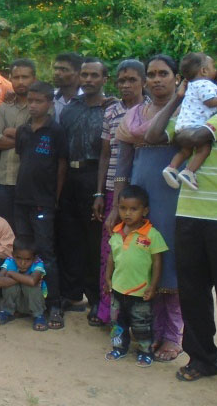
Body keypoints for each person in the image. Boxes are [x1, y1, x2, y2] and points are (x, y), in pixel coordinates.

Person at [143, 47, 217, 398]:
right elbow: (154, 135)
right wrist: (178, 98)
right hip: (189, 211)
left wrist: (187, 124)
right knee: (193, 292)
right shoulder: (198, 99)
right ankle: (202, 358)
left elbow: (193, 138)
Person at [112, 54, 184, 362]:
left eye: (163, 73)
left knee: (168, 259)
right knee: (141, 258)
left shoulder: (186, 112)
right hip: (138, 197)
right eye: (152, 74)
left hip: (173, 196)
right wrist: (118, 205)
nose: (156, 79)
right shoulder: (134, 115)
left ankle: (173, 335)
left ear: (177, 78)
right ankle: (148, 331)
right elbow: (123, 166)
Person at [90, 60, 146, 327]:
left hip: (143, 191)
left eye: (132, 80)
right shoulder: (111, 111)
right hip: (114, 191)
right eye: (122, 80)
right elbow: (105, 154)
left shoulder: (151, 110)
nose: (126, 85)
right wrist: (99, 193)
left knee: (139, 252)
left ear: (143, 82)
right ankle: (107, 310)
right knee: (111, 251)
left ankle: (138, 313)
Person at [57, 58, 109, 318]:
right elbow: (62, 151)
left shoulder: (109, 108)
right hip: (70, 176)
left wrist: (100, 190)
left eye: (94, 76)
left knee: (93, 240)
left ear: (104, 80)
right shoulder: (70, 108)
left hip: (94, 176)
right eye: (85, 75)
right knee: (70, 237)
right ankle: (72, 293)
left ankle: (97, 298)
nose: (88, 80)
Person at [14, 81, 68, 329]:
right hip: (22, 200)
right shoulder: (23, 131)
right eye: (30, 101)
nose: (33, 105)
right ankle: (26, 302)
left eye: (38, 101)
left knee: (46, 253)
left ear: (49, 103)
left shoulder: (55, 131)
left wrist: (54, 199)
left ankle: (54, 304)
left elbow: (60, 166)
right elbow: (22, 160)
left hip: (43, 202)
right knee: (24, 252)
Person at [104, 185, 168, 367]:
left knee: (142, 325)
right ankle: (119, 348)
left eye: (134, 209)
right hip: (117, 289)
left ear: (145, 210)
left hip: (140, 292)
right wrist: (108, 279)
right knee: (117, 323)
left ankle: (145, 350)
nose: (127, 214)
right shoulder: (116, 232)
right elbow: (111, 257)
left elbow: (157, 262)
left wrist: (153, 286)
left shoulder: (152, 235)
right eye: (123, 208)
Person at [162, 53, 217, 191]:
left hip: (182, 124)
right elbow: (210, 102)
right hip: (195, 126)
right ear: (204, 71)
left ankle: (171, 167)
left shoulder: (191, 86)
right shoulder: (206, 84)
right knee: (204, 149)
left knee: (186, 151)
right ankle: (189, 172)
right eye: (213, 67)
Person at [0, 59, 37, 229]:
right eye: (16, 77)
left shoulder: (41, 108)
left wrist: (10, 132)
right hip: (3, 179)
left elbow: (37, 140)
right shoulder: (4, 107)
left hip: (29, 180)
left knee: (26, 229)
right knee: (5, 228)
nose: (20, 81)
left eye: (25, 77)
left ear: (34, 79)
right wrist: (23, 139)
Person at [0, 241, 47, 330]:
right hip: (16, 304)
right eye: (19, 258)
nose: (22, 263)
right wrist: (23, 279)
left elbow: (32, 281)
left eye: (27, 259)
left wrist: (11, 273)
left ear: (34, 258)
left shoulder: (38, 263)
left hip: (33, 304)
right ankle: (7, 311)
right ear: (13, 255)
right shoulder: (10, 261)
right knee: (8, 284)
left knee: (30, 285)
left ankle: (38, 315)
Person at [52, 53, 84, 121]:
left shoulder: (89, 100)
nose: (56, 73)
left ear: (78, 72)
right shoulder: (50, 98)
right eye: (56, 69)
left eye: (63, 69)